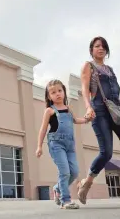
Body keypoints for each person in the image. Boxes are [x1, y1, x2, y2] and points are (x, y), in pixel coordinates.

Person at [77, 36, 120, 205]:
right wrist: (88, 107)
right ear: (91, 50)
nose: (100, 49)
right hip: (99, 111)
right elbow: (85, 89)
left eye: (103, 46)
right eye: (97, 46)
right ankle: (87, 182)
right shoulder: (89, 66)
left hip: (117, 111)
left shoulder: (110, 69)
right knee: (106, 152)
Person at [36, 79, 89, 209]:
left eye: (60, 91)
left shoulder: (68, 109)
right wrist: (39, 146)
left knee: (75, 172)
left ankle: (57, 188)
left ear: (64, 92)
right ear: (49, 96)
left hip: (70, 145)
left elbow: (76, 120)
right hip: (56, 144)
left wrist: (88, 119)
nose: (58, 94)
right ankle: (65, 200)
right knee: (64, 172)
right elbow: (43, 129)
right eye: (53, 92)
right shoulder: (49, 111)